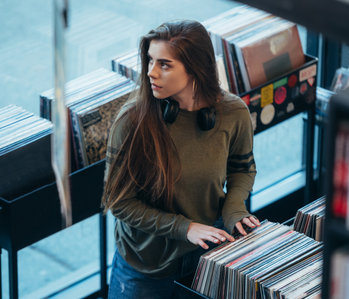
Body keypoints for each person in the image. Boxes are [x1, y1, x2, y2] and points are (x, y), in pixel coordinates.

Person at [102, 19, 260, 299]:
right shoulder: (131, 121)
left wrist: (234, 208)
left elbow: (241, 168)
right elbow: (120, 203)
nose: (151, 72)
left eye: (164, 64)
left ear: (196, 67)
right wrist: (184, 228)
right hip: (146, 267)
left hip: (207, 254)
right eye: (150, 61)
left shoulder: (233, 112)